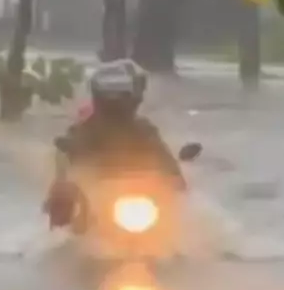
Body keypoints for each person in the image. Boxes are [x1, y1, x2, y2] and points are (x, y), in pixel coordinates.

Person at [44, 59, 185, 228]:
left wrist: (175, 179)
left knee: (177, 221)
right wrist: (63, 185)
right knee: (65, 208)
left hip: (139, 198)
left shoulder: (145, 131)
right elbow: (65, 156)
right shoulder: (84, 131)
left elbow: (165, 159)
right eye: (109, 102)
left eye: (121, 101)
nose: (115, 108)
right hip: (96, 198)